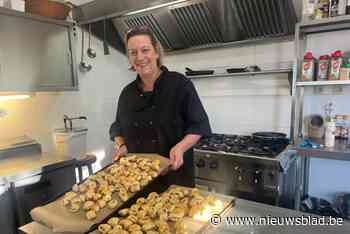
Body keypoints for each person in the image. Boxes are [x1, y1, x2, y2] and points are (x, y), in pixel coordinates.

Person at [109, 26, 211, 187]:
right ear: (129, 57)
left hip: (175, 177)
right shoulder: (127, 93)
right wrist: (121, 145)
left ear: (156, 52)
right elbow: (118, 127)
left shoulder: (180, 84)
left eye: (145, 50)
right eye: (133, 52)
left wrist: (180, 148)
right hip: (137, 181)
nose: (140, 57)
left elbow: (199, 125)